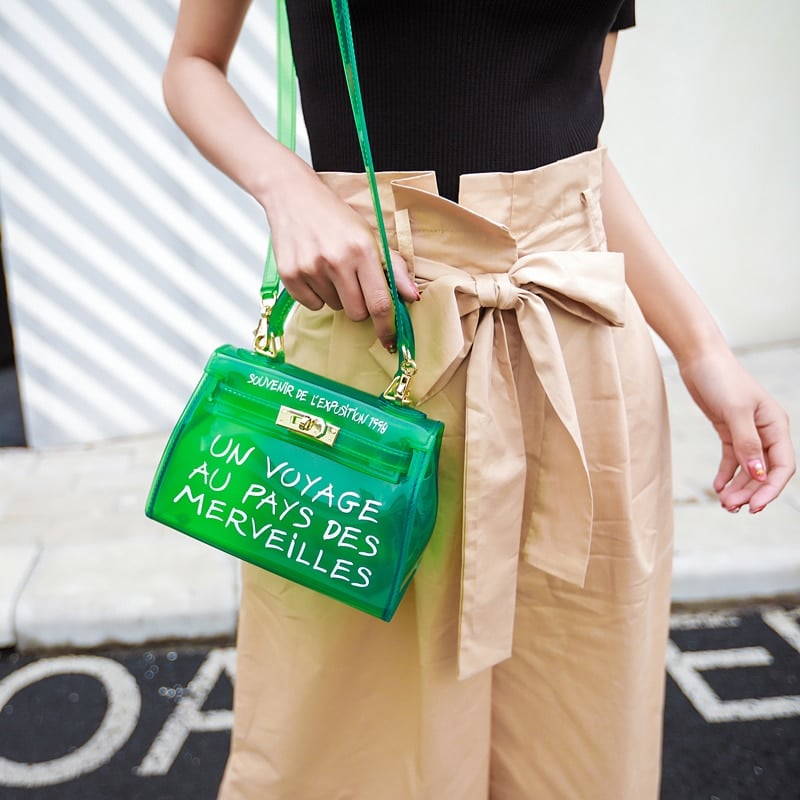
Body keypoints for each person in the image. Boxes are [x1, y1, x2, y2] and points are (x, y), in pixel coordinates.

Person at [162, 1, 795, 797]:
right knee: (348, 752)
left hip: (580, 362)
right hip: (376, 357)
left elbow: (577, 158)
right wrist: (288, 186)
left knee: (577, 741)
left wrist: (702, 349)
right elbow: (193, 65)